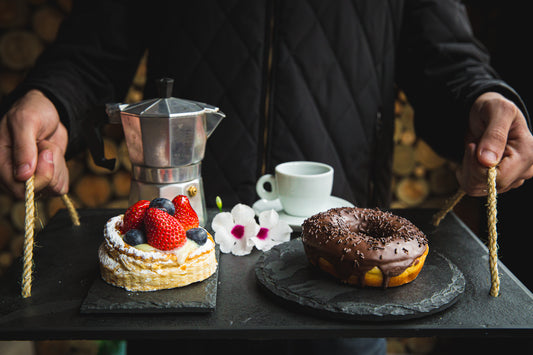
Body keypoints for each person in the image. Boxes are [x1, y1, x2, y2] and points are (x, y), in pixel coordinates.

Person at [1, 1, 533, 354]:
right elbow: (92, 51)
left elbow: (445, 60)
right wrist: (53, 99)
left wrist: (482, 100)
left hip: (340, 290)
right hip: (188, 279)